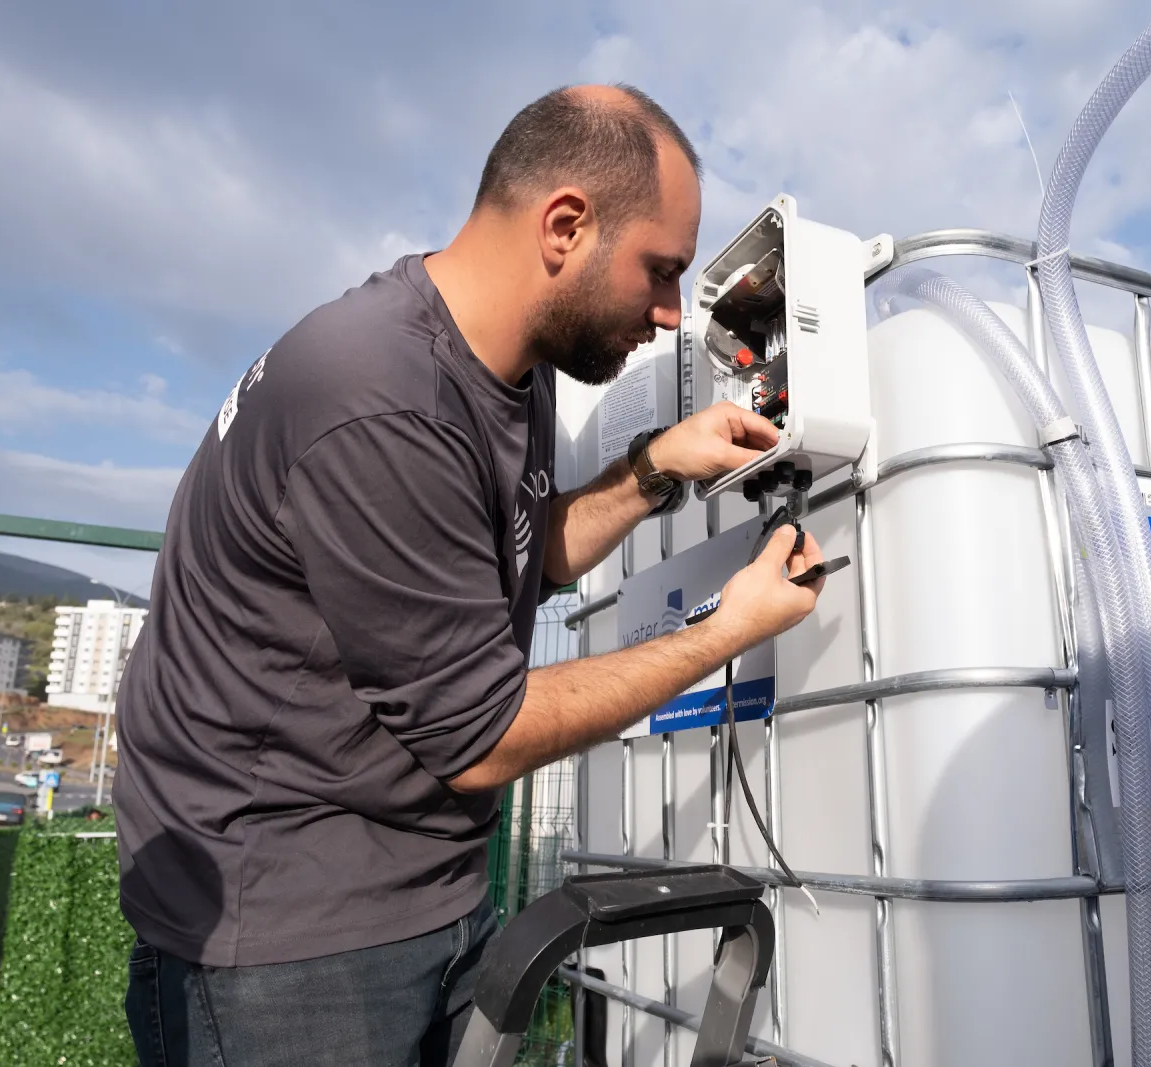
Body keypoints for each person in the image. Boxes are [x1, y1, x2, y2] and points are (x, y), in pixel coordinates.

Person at [113, 84, 826, 1066]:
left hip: (423, 886)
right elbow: (480, 734)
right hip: (284, 935)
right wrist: (724, 629)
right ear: (565, 226)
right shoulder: (378, 394)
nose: (671, 315)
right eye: (660, 272)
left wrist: (655, 465)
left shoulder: (504, 366)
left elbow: (519, 552)